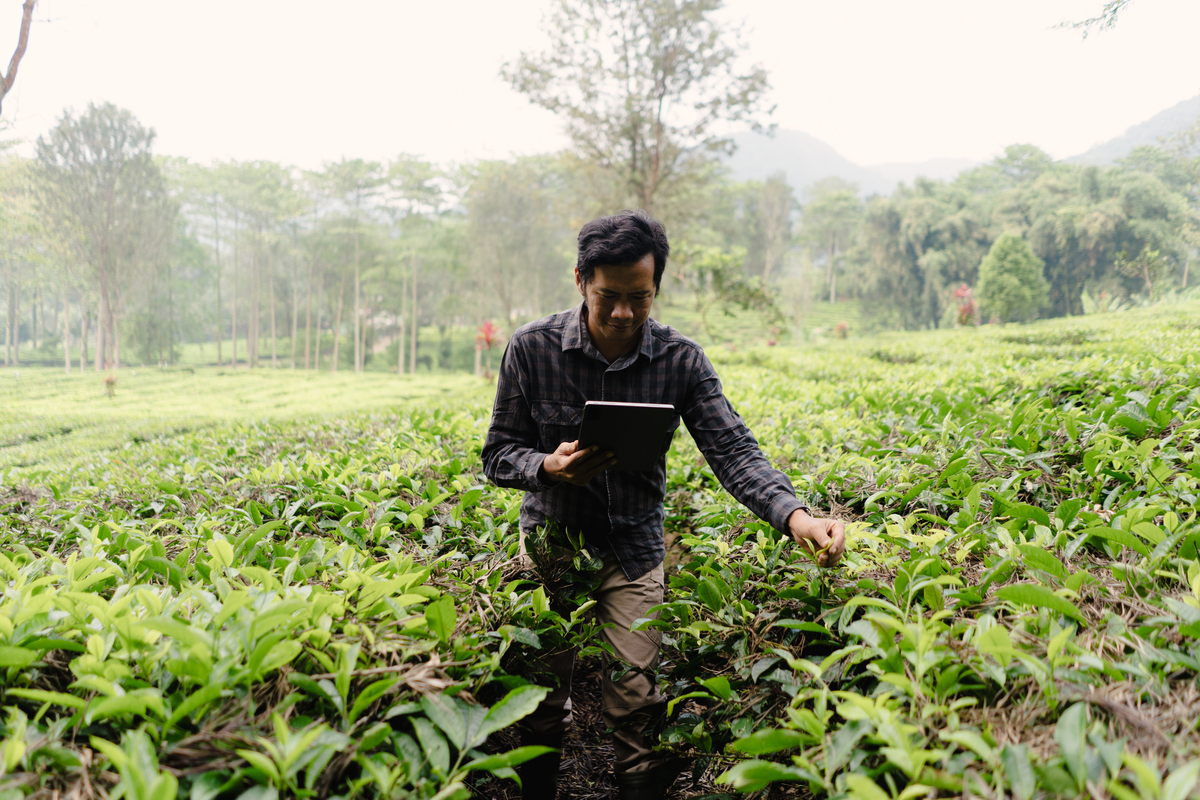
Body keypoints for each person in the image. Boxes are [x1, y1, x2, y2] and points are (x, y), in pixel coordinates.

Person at [481, 210, 845, 800]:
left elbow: (733, 451)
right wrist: (548, 466)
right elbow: (498, 454)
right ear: (580, 281)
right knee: (540, 704)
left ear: (656, 289)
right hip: (552, 547)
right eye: (609, 297)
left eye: (639, 298)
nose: (624, 312)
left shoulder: (681, 360)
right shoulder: (532, 349)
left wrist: (796, 516)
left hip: (634, 550)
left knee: (635, 702)